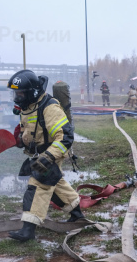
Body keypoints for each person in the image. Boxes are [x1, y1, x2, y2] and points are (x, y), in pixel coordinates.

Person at [8, 69, 85, 242]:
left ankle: (28, 230)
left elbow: (65, 136)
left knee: (38, 186)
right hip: (40, 153)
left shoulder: (49, 107)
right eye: (15, 93)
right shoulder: (29, 106)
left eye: (20, 93)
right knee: (56, 183)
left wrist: (49, 156)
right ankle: (77, 214)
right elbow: (34, 130)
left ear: (32, 91)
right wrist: (22, 139)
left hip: (51, 153)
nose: (17, 97)